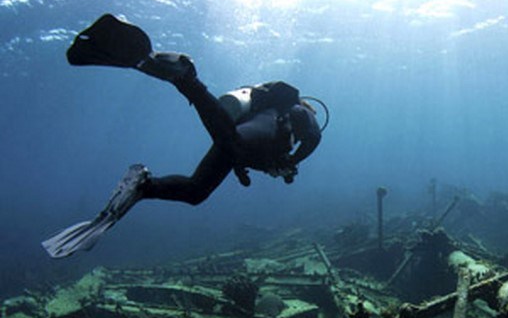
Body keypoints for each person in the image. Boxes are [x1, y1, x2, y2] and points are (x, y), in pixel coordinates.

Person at [42, 14, 324, 258]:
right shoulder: (298, 111)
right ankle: (186, 78)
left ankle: (144, 187)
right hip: (243, 135)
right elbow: (313, 137)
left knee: (196, 191)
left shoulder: (271, 139)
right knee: (233, 143)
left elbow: (246, 154)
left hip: (236, 140)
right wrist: (293, 159)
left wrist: (265, 167)